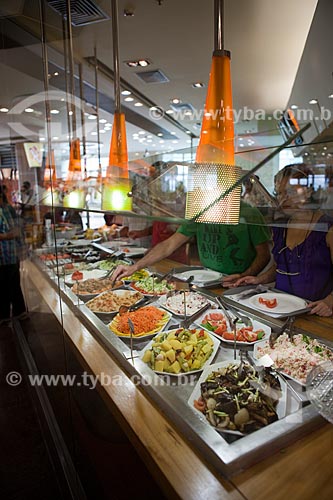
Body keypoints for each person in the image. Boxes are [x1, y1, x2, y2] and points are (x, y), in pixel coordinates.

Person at [229, 164, 333, 317]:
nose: (283, 199)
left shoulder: (327, 229)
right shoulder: (281, 226)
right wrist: (259, 279)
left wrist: (329, 301)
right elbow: (281, 266)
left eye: (290, 192)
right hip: (280, 311)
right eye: (279, 193)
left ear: (309, 190)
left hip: (315, 314)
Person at [111, 201, 271, 283]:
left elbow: (264, 255)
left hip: (241, 285)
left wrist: (244, 276)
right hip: (206, 280)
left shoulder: (249, 213)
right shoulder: (203, 211)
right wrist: (135, 266)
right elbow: (169, 245)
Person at [0, 185, 27, 323]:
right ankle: (4, 315)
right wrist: (7, 235)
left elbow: (18, 223)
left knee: (14, 282)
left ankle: (19, 311)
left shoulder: (7, 208)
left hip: (12, 253)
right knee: (3, 286)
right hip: (2, 254)